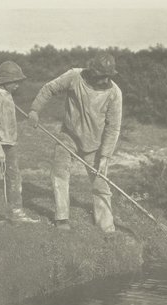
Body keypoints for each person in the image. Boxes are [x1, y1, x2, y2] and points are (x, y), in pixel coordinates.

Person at [28, 53, 122, 232]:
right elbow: (49, 89)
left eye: (108, 76)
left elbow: (113, 127)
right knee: (60, 173)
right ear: (92, 72)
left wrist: (105, 156)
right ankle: (62, 218)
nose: (105, 80)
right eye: (101, 76)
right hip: (68, 136)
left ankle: (106, 226)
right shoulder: (74, 76)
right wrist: (34, 110)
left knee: (101, 184)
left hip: (96, 144)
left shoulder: (115, 93)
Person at [0, 61, 39, 228]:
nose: (18, 85)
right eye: (15, 81)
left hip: (9, 142)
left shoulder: (3, 92)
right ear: (5, 81)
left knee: (14, 176)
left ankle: (16, 213)